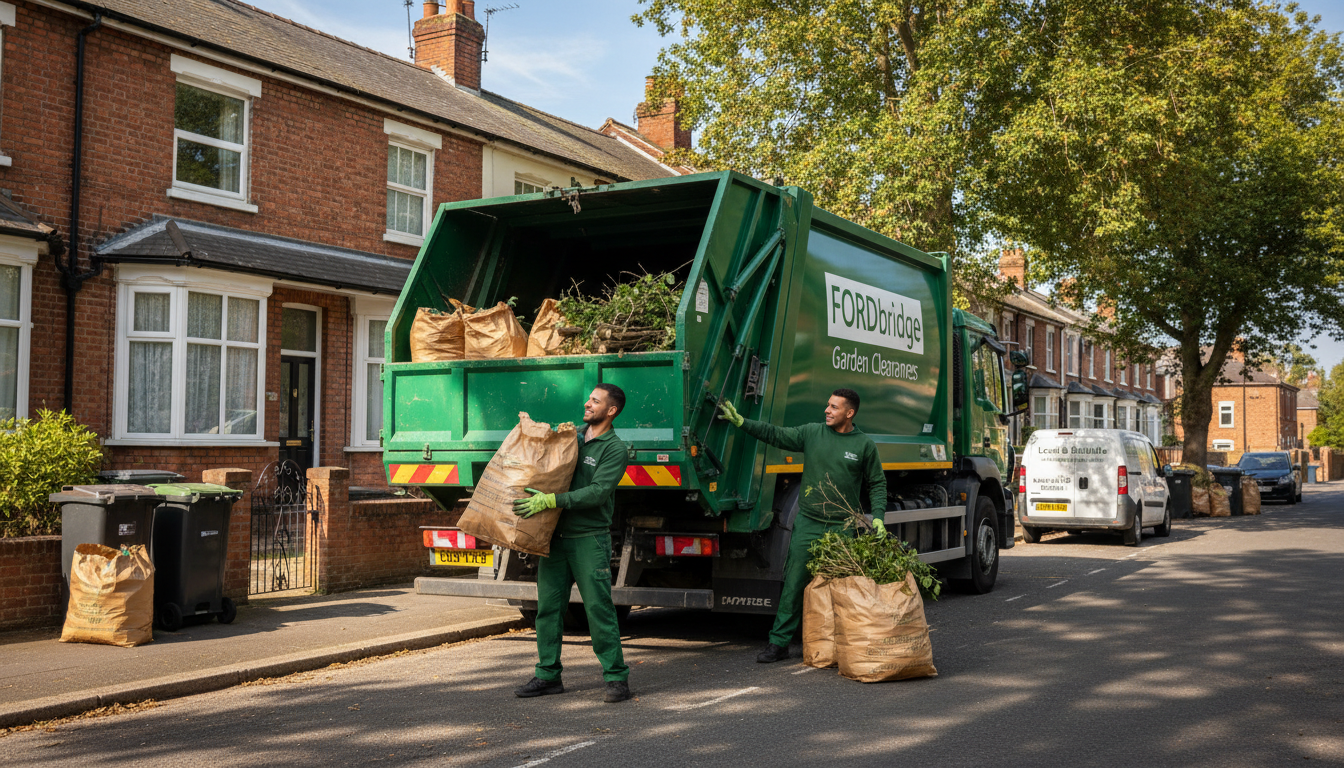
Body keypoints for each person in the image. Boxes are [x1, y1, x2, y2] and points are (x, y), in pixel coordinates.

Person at [718, 388, 887, 663]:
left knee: (843, 586)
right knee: (794, 583)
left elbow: (877, 483)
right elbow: (775, 434)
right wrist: (742, 422)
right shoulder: (812, 433)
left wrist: (877, 516)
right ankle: (779, 642)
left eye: (833, 407)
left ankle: (844, 642)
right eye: (827, 405)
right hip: (808, 522)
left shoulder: (864, 445)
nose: (827, 410)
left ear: (849, 413)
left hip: (842, 527)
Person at [511, 383, 632, 703]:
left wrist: (552, 500)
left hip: (588, 539)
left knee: (599, 609)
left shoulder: (614, 448)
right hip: (555, 538)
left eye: (595, 401)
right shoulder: (572, 436)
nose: (587, 403)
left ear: (611, 411)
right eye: (589, 399)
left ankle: (616, 677)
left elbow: (597, 493)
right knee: (548, 610)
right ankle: (548, 675)